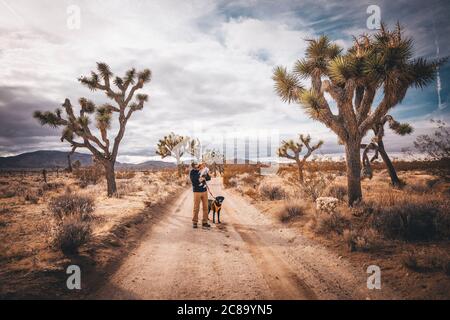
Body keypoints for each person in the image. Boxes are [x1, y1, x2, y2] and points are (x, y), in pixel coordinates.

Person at [189, 162, 211, 229]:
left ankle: (205, 222)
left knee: (206, 207)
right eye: (200, 165)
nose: (202, 166)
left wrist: (206, 176)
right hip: (197, 192)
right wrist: (202, 178)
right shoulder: (192, 172)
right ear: (196, 166)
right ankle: (195, 222)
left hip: (204, 191)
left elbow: (209, 178)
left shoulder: (204, 171)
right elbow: (194, 181)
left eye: (203, 165)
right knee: (196, 208)